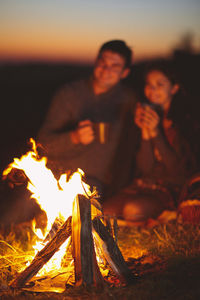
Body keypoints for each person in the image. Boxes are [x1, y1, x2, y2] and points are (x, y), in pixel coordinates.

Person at [37, 40, 138, 201]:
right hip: (53, 176)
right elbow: (42, 145)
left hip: (94, 184)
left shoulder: (129, 100)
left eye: (115, 66)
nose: (106, 70)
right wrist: (74, 138)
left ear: (125, 73)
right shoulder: (69, 94)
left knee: (81, 210)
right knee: (14, 212)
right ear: (95, 62)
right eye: (103, 63)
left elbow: (133, 149)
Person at [103, 61, 196, 222]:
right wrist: (145, 132)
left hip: (170, 189)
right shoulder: (149, 114)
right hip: (144, 185)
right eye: (149, 84)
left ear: (174, 88)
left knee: (133, 211)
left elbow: (177, 170)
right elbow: (146, 167)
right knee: (106, 211)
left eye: (159, 84)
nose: (152, 90)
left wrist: (156, 133)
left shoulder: (185, 122)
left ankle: (168, 214)